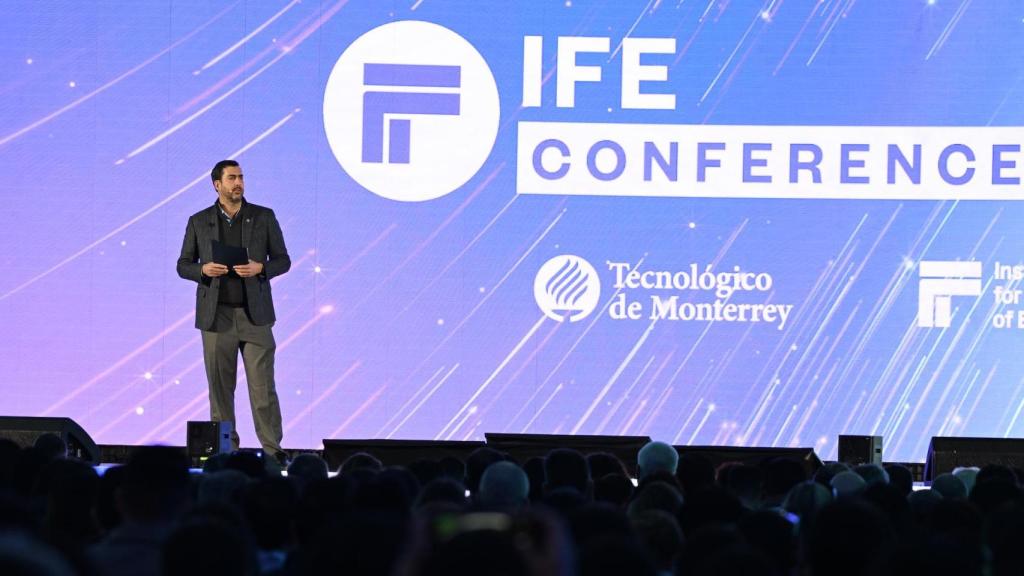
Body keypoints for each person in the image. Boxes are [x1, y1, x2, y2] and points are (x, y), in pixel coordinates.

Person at [176, 160, 290, 464]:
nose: (238, 183)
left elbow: (283, 260)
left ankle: (272, 453)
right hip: (216, 318)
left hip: (255, 316)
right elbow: (182, 264)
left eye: (241, 177)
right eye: (232, 178)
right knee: (220, 391)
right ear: (217, 184)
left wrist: (261, 267)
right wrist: (203, 269)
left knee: (263, 389)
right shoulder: (199, 221)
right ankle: (226, 454)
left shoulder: (263, 217)